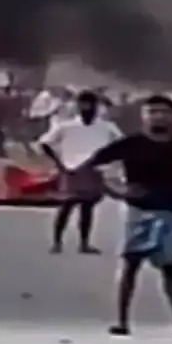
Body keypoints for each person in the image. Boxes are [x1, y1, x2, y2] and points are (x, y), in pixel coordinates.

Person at [78, 95, 172, 338]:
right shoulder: (130, 144)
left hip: (171, 211)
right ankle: (122, 321)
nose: (157, 116)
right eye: (151, 111)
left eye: (163, 112)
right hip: (138, 210)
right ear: (143, 116)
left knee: (171, 269)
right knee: (130, 265)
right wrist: (116, 190)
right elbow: (91, 165)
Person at [39, 90, 122, 254]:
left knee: (87, 208)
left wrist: (109, 161)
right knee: (66, 206)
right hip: (71, 168)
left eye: (90, 104)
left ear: (96, 107)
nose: (87, 108)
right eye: (83, 104)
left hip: (93, 169)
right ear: (78, 106)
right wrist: (59, 164)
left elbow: (121, 144)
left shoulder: (106, 126)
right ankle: (57, 242)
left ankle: (84, 243)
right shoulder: (66, 126)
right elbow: (45, 143)